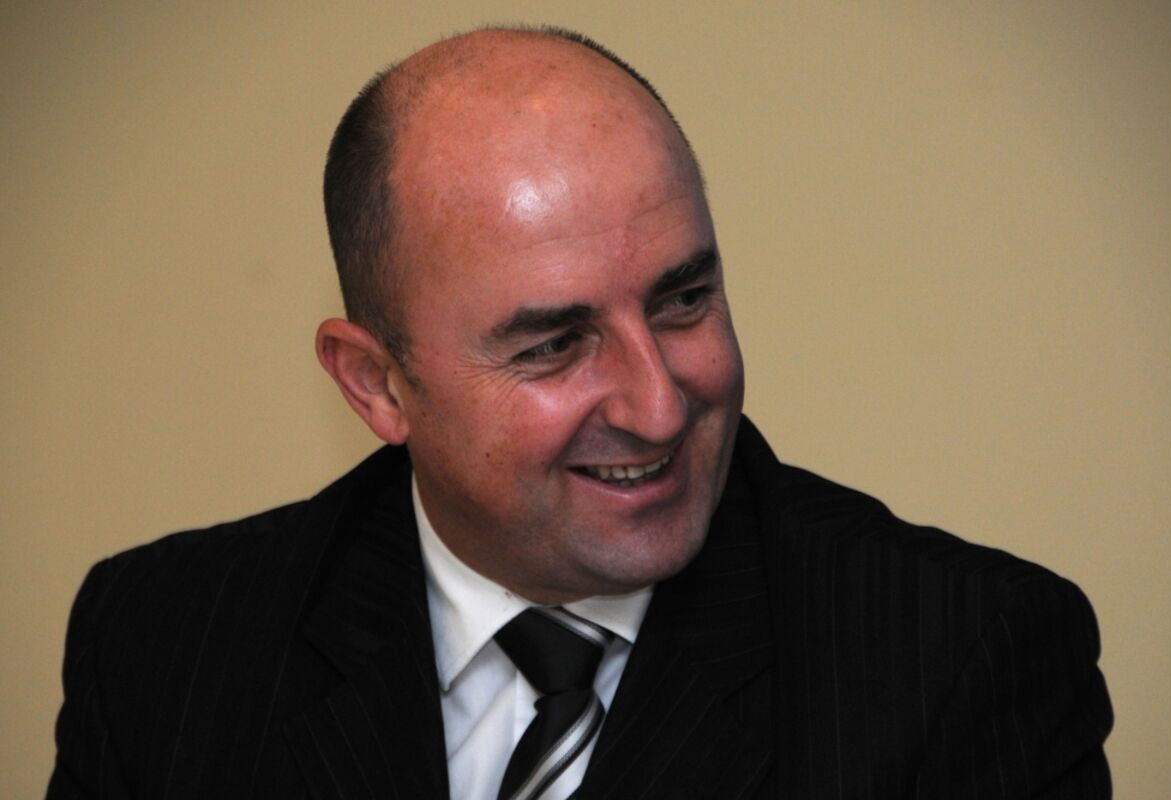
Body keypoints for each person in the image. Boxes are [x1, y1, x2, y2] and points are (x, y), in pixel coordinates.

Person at [48, 26, 1113, 800]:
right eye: (553, 343)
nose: (660, 405)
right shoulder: (163, 645)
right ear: (376, 384)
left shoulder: (961, 657)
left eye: (684, 299)